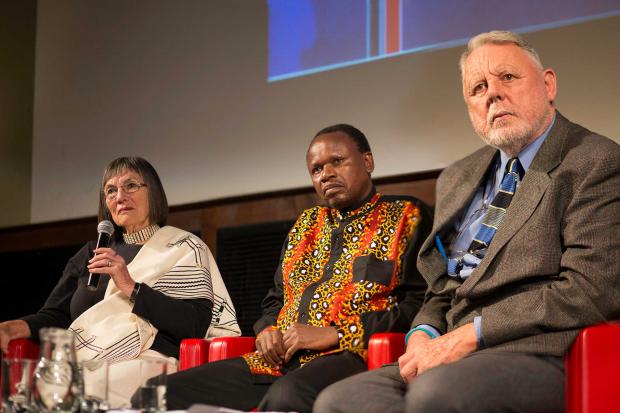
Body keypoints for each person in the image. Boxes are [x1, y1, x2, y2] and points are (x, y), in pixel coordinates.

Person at [314, 31, 620, 413]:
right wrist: (423, 334)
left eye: (507, 77)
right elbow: (442, 288)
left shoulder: (595, 161)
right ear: (471, 108)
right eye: (478, 88)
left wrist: (470, 335)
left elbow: (590, 289)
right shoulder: (458, 177)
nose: (492, 93)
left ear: (548, 84)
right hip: (450, 350)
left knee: (435, 396)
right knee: (339, 400)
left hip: (541, 350)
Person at [163, 124, 432, 413]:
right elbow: (275, 299)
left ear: (367, 162)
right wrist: (266, 330)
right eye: (316, 169)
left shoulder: (406, 215)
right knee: (163, 392)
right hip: (276, 361)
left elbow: (418, 304)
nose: (326, 173)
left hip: (352, 355)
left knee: (287, 396)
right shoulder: (306, 225)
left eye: (337, 161)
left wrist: (337, 333)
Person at [0, 156, 241, 407]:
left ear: (154, 194)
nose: (120, 197)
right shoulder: (92, 253)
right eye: (111, 191)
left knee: (84, 391)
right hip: (83, 362)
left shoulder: (183, 248)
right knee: (26, 395)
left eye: (131, 186)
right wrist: (14, 327)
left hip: (149, 359)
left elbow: (194, 325)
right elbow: (56, 316)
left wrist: (131, 287)